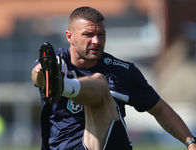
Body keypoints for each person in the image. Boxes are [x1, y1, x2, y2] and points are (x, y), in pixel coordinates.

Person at [31, 6, 196, 150]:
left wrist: (190, 142)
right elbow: (38, 77)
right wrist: (43, 75)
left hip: (107, 146)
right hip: (62, 147)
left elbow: (160, 109)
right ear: (69, 36)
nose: (96, 41)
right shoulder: (56, 63)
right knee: (99, 84)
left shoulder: (122, 71)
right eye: (88, 34)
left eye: (101, 34)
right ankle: (62, 86)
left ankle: (65, 87)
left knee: (101, 83)